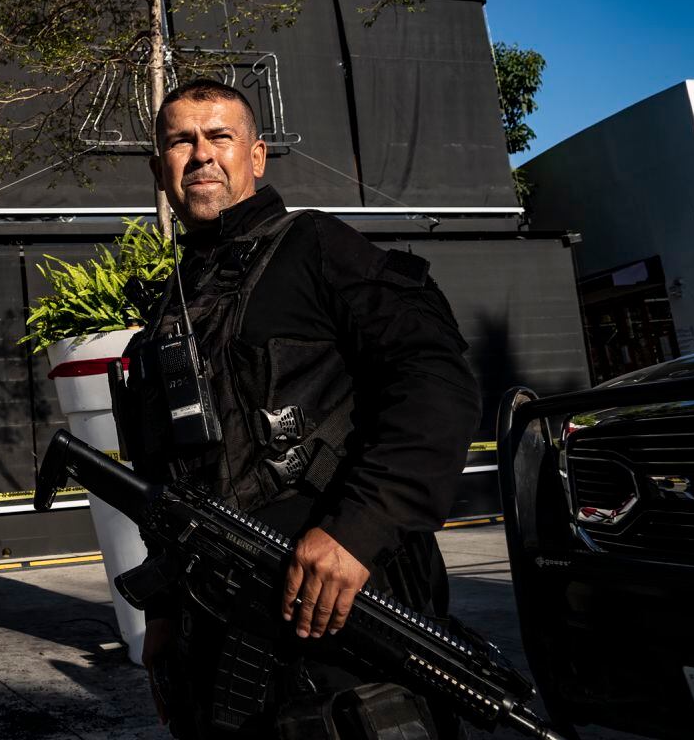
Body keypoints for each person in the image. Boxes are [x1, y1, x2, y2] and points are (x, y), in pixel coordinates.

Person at [122, 78, 481, 739]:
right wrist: (163, 616)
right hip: (217, 639)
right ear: (160, 167)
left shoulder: (315, 248)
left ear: (255, 156)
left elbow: (436, 381)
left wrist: (357, 530)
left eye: (219, 136)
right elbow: (166, 480)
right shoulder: (170, 309)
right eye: (181, 140)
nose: (201, 153)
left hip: (342, 627)